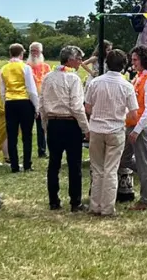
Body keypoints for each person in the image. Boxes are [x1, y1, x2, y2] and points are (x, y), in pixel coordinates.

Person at [83, 48, 136, 216]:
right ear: (124, 66)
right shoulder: (127, 86)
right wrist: (119, 114)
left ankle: (94, 205)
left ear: (106, 63)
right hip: (115, 129)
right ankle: (107, 208)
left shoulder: (95, 82)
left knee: (97, 168)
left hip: (97, 128)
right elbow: (134, 112)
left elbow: (88, 107)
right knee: (111, 169)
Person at [39, 45, 90, 211]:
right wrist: (85, 127)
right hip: (70, 123)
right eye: (79, 59)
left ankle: (53, 200)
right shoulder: (73, 79)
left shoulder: (48, 77)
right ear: (70, 60)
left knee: (54, 164)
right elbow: (76, 106)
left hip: (53, 122)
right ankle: (75, 202)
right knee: (74, 164)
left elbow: (42, 104)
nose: (80, 62)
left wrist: (45, 125)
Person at [125, 46, 147, 210]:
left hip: (141, 127)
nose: (132, 63)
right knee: (123, 159)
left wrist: (137, 130)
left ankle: (146, 200)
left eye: (135, 60)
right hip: (130, 124)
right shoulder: (139, 77)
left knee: (142, 161)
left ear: (143, 60)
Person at [0, 43, 40, 172]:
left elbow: (2, 89)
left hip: (10, 102)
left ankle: (14, 165)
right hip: (24, 102)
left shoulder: (4, 68)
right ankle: (27, 164)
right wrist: (36, 106)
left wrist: (5, 101)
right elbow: (31, 88)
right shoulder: (25, 67)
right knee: (27, 135)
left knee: (12, 135)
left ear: (10, 53)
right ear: (22, 53)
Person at [27, 42, 50, 153]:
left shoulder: (46, 67)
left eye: (36, 51)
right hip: (28, 99)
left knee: (41, 126)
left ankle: (42, 150)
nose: (34, 53)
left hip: (42, 99)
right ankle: (28, 151)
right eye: (32, 51)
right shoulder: (26, 66)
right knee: (27, 127)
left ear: (41, 52)